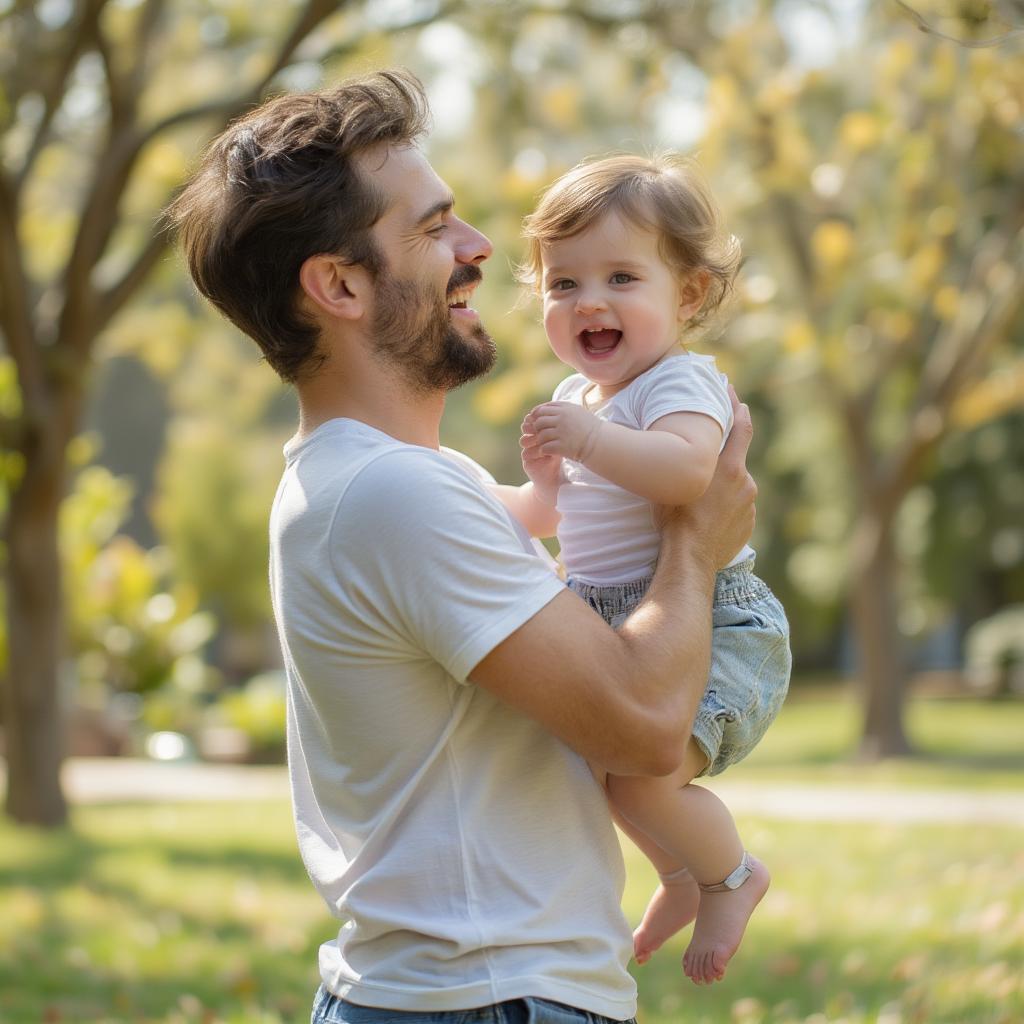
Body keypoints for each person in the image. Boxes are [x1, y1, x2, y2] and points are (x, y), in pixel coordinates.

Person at [169, 69, 756, 1024]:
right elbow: (648, 726)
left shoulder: (371, 480)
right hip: (484, 998)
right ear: (342, 285)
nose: (480, 248)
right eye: (435, 227)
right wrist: (697, 543)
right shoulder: (393, 494)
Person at [493, 155, 791, 985]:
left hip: (715, 621)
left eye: (622, 277)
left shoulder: (678, 383)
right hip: (617, 617)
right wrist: (484, 497)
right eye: (563, 284)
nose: (589, 302)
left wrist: (590, 443)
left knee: (645, 777)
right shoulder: (579, 397)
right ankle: (678, 875)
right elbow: (548, 517)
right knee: (617, 783)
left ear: (687, 296)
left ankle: (733, 875)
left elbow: (691, 476)